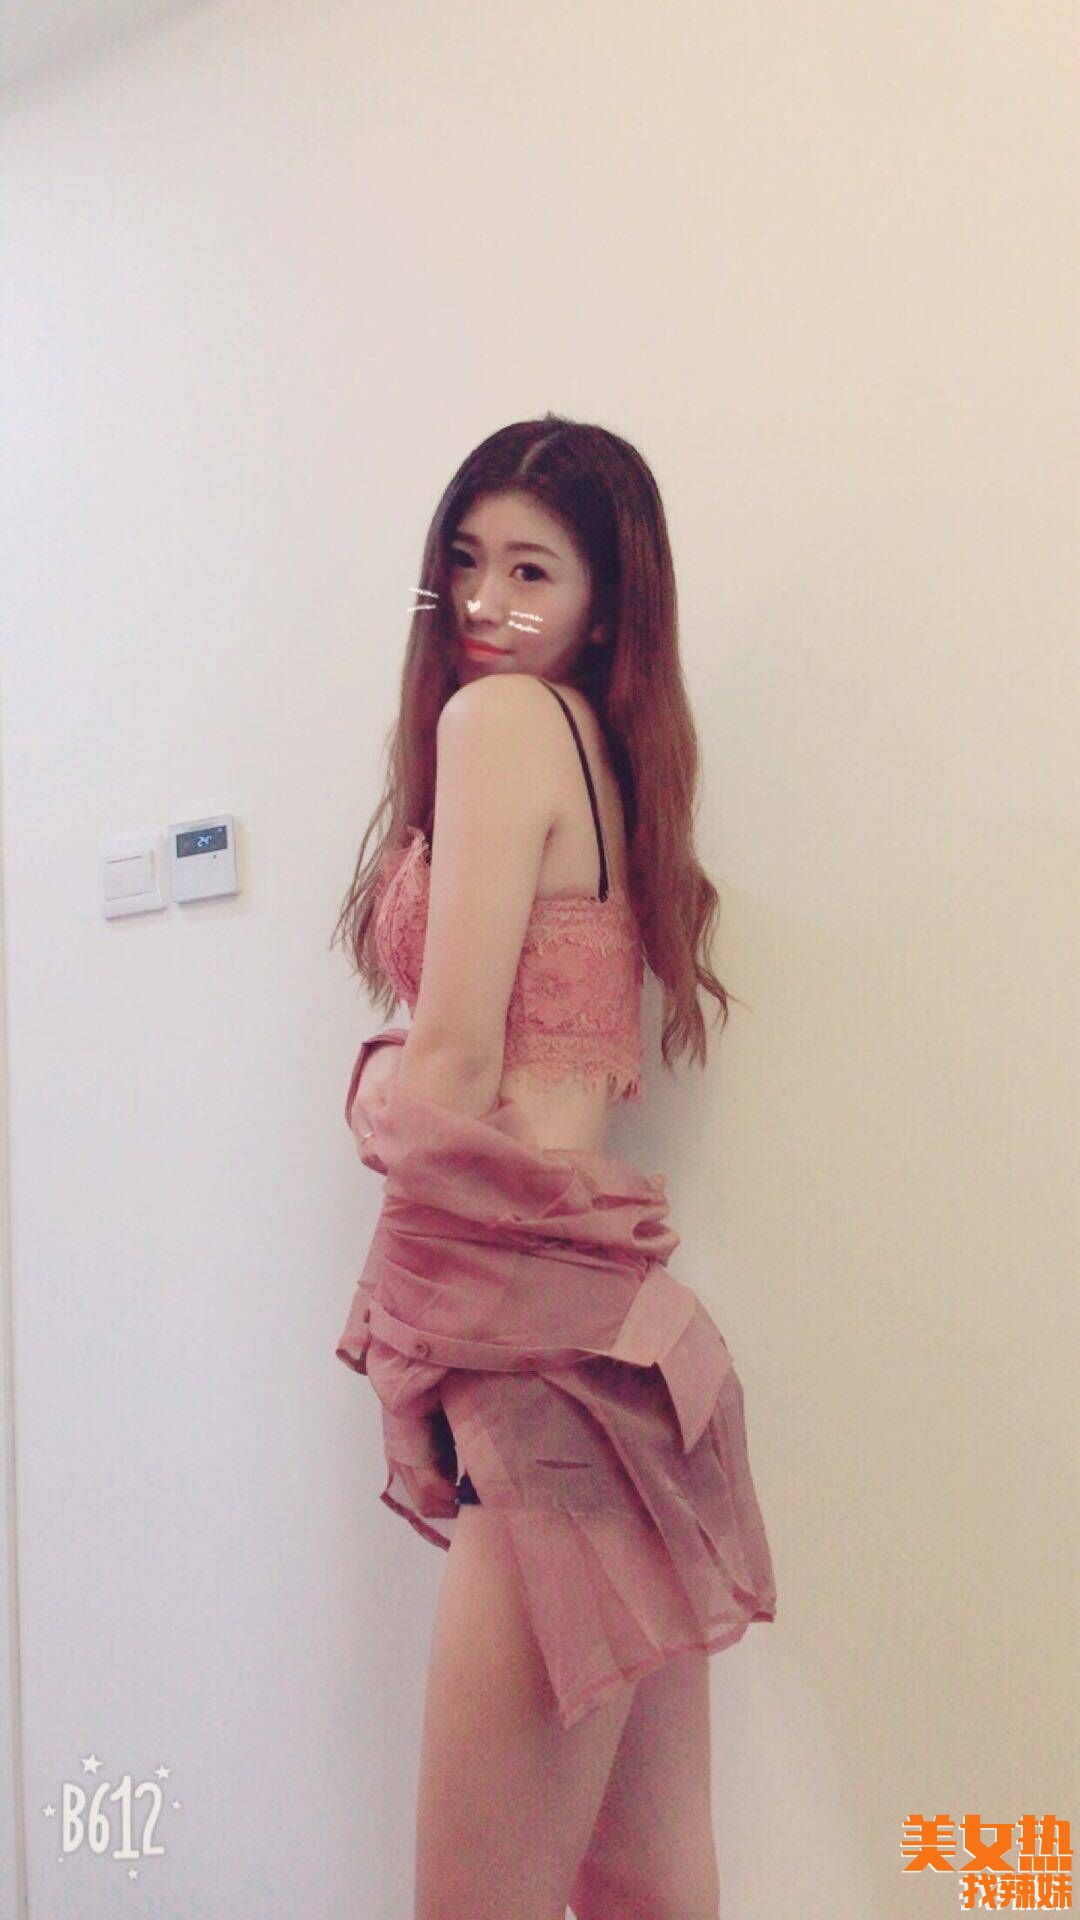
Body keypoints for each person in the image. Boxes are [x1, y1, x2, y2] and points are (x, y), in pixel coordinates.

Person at [330, 412, 776, 1920]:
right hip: (626, 1362)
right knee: (646, 1882)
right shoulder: (605, 754)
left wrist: (395, 1335)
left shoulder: (500, 723)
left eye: (533, 570)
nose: (486, 601)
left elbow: (458, 1062)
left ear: (605, 599)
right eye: (466, 562)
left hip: (536, 1362)